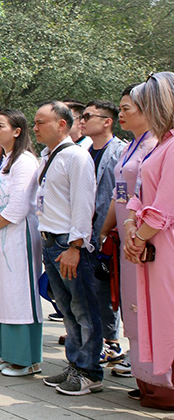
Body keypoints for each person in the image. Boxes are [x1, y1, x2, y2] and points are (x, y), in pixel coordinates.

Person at [33, 101, 100, 396]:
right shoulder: (47, 157)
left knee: (83, 309)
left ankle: (90, 371)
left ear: (62, 124)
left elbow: (84, 205)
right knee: (66, 310)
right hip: (50, 241)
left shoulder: (76, 157)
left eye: (41, 122)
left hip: (67, 243)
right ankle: (75, 364)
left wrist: (75, 246)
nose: (35, 128)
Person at [98, 86, 157, 382]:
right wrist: (107, 227)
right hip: (125, 236)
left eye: (127, 109)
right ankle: (141, 371)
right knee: (129, 301)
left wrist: (138, 232)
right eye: (119, 109)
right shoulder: (129, 147)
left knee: (145, 303)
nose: (120, 114)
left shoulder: (155, 146)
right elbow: (118, 195)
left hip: (146, 239)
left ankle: (153, 372)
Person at [125, 72, 174, 420]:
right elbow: (139, 195)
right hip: (150, 247)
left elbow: (164, 207)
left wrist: (138, 237)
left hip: (164, 247)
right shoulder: (162, 142)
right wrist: (132, 227)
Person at [0, 110, 42, 377]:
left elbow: (18, 206)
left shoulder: (25, 161)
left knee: (18, 294)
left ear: (17, 131)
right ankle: (7, 354)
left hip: (16, 237)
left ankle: (26, 359)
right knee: (0, 292)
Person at [78, 100, 128, 368]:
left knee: (109, 291)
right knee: (93, 291)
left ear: (107, 121)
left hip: (111, 234)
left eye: (88, 116)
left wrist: (107, 230)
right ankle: (102, 341)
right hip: (87, 233)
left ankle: (113, 344)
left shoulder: (119, 152)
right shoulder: (85, 151)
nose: (82, 121)